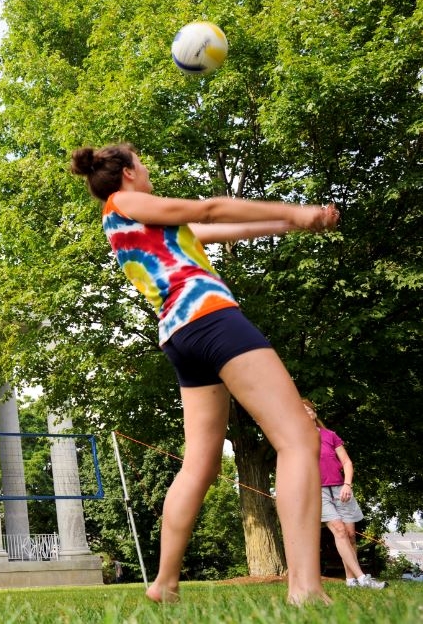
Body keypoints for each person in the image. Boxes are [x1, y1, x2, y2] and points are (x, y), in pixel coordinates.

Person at [70, 145, 338, 606]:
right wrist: (295, 208)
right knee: (297, 438)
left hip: (179, 334)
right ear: (129, 172)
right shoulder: (123, 202)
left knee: (200, 463)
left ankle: (164, 583)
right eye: (143, 161)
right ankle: (306, 588)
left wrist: (294, 222)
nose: (148, 167)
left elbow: (220, 228)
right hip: (210, 317)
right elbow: (210, 207)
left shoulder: (143, 225)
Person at [301, 399, 386, 589]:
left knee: (350, 535)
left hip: (341, 488)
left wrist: (347, 484)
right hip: (318, 491)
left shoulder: (330, 435)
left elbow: (346, 462)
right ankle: (364, 579)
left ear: (314, 412)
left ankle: (351, 580)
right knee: (339, 530)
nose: (307, 412)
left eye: (309, 409)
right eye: (302, 411)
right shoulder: (298, 438)